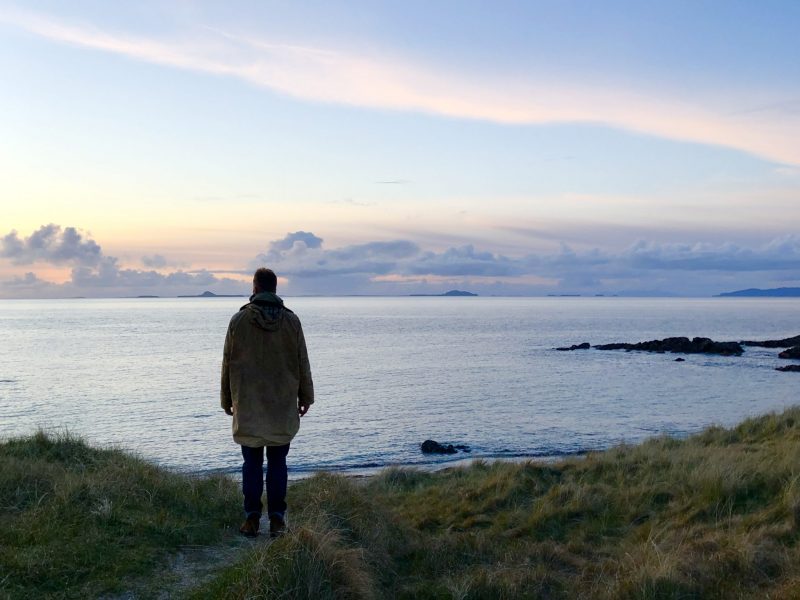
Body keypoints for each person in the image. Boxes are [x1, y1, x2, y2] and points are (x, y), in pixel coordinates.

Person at [220, 268, 314, 538]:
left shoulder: (238, 322)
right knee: (277, 463)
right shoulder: (291, 322)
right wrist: (306, 396)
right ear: (274, 288)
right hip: (281, 405)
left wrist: (226, 399)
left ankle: (251, 519)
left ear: (255, 288)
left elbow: (227, 364)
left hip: (248, 405)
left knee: (251, 464)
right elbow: (302, 362)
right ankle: (276, 520)